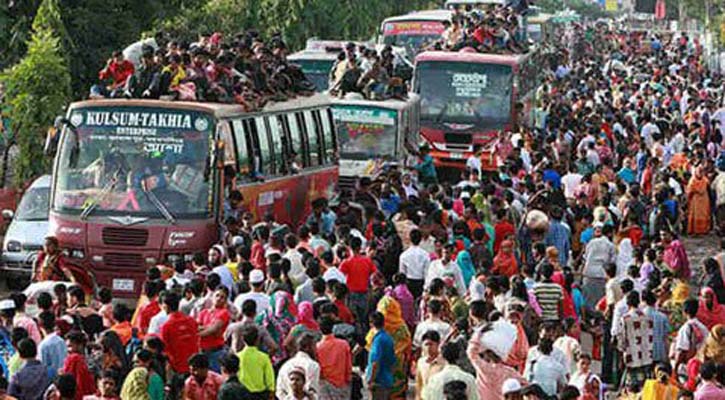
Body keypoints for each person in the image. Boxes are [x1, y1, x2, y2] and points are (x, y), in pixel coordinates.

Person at [158, 291, 200, 398]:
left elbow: (165, 352)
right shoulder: (191, 321)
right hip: (195, 369)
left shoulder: (167, 327)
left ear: (166, 306)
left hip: (178, 372)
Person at [467, 324, 523, 400]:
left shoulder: (485, 369)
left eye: (483, 354)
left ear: (489, 354)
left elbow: (471, 353)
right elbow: (526, 385)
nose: (483, 357)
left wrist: (478, 334)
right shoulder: (510, 372)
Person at [615, 291, 654, 390]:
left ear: (628, 303)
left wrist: (621, 355)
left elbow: (621, 340)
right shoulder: (648, 318)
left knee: (631, 387)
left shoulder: (625, 319)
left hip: (631, 356)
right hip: (646, 357)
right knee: (644, 386)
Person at [316, 316, 352, 400]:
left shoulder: (317, 347)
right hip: (342, 384)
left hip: (325, 385)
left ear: (319, 328)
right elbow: (348, 366)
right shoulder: (344, 344)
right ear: (333, 327)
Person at [197, 287, 231, 373]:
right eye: (217, 295)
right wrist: (208, 327)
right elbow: (197, 327)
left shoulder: (224, 313)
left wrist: (197, 333)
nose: (219, 299)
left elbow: (213, 329)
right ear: (212, 297)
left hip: (216, 352)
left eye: (222, 297)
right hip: (202, 351)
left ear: (226, 300)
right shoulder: (203, 312)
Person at [276, 334, 320, 399]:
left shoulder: (285, 365)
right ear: (307, 347)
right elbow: (313, 391)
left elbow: (279, 392)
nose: (316, 350)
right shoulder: (313, 365)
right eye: (314, 346)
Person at [236, 326, 275, 400]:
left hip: (242, 394)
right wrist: (271, 392)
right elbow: (269, 379)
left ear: (243, 339)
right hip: (260, 395)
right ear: (257, 340)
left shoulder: (238, 357)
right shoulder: (264, 357)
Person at [366, 312, 396, 400]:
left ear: (371, 324)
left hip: (378, 381)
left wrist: (371, 380)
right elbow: (393, 361)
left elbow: (375, 362)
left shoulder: (378, 340)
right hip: (387, 379)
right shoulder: (388, 338)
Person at [61, 331, 95, 400]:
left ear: (80, 345)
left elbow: (66, 383)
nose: (68, 350)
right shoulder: (92, 359)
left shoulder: (73, 358)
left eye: (70, 346)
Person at [399, 229, 430, 299]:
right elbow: (426, 273)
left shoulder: (404, 255)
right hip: (421, 282)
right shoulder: (425, 254)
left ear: (410, 239)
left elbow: (402, 273)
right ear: (421, 239)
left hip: (408, 282)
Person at [38, 312, 67, 380]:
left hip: (51, 381)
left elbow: (42, 368)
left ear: (40, 326)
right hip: (64, 378)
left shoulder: (43, 345)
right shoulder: (61, 341)